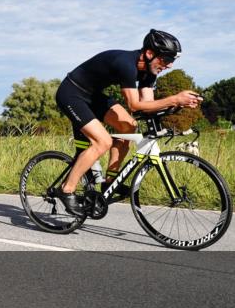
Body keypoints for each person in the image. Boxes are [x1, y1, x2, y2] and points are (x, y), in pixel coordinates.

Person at [53, 29, 201, 217]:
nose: (169, 65)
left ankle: (109, 181)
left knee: (129, 127)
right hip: (71, 93)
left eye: (172, 61)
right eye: (166, 60)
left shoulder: (149, 72)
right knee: (103, 142)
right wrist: (174, 99)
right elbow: (134, 105)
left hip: (93, 96)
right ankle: (66, 189)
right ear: (149, 53)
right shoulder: (126, 64)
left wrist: (179, 105)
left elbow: (147, 107)